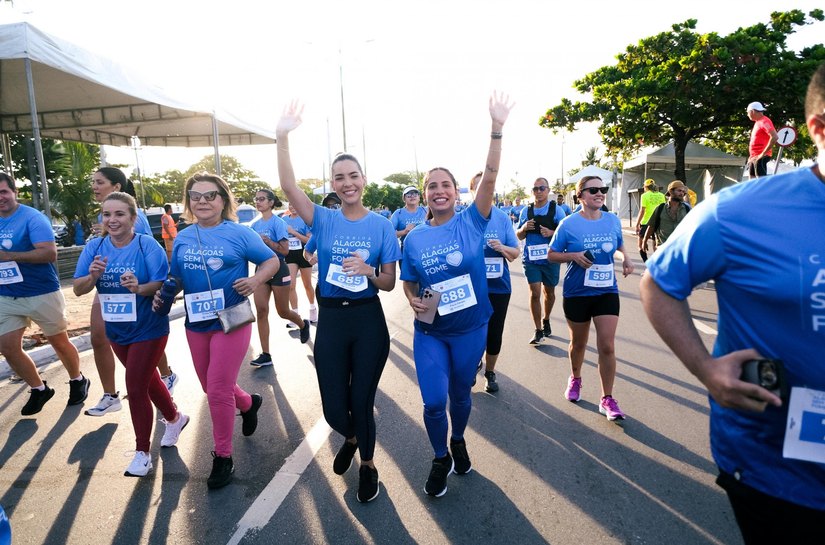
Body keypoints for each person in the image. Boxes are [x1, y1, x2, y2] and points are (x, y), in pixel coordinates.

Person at [639, 63, 825, 543]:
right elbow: (659, 284)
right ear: (819, 129)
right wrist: (705, 369)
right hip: (778, 475)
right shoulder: (738, 210)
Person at [276, 103, 401, 504]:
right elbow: (289, 188)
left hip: (367, 321)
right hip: (330, 320)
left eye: (353, 176)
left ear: (364, 179)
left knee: (362, 398)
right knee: (334, 406)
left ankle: (368, 465)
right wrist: (282, 137)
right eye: (339, 178)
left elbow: (388, 283)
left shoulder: (381, 226)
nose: (347, 183)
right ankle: (347, 435)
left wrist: (368, 271)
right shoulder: (324, 219)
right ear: (332, 184)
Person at [401, 92, 513, 498]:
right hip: (431, 331)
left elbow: (491, 174)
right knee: (433, 402)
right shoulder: (414, 238)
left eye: (445, 184)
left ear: (456, 192)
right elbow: (408, 280)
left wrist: (496, 129)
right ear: (424, 194)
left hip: (470, 329)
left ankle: (459, 439)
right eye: (432, 186)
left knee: (460, 396)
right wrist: (411, 298)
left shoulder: (473, 221)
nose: (439, 190)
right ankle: (439, 456)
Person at [161, 172, 280, 489]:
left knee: (216, 389)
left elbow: (271, 262)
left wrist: (255, 281)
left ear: (223, 199)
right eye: (195, 196)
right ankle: (246, 403)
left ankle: (223, 457)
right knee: (211, 387)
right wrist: (163, 293)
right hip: (196, 323)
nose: (202, 201)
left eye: (209, 195)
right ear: (189, 202)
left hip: (231, 319)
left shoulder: (239, 234)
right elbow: (177, 278)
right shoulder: (184, 237)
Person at [73, 192, 188, 477]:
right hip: (117, 329)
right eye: (107, 214)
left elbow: (161, 283)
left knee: (135, 388)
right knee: (147, 381)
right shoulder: (95, 247)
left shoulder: (146, 244)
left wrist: (139, 287)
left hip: (149, 327)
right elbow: (78, 288)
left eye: (119, 214)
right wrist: (93, 277)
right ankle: (174, 418)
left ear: (133, 218)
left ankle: (141, 453)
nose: (112, 220)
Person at [86, 167, 177, 418]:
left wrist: (140, 286)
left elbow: (144, 250)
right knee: (98, 337)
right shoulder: (104, 214)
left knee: (144, 341)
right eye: (93, 182)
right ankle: (110, 395)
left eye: (99, 182)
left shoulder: (135, 216)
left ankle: (166, 375)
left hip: (135, 289)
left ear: (116, 187)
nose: (94, 186)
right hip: (107, 285)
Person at [0, 172, 89, 415]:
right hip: (6, 295)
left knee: (58, 341)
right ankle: (39, 389)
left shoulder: (32, 218)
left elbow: (49, 254)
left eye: (3, 192)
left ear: (14, 191)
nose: (0, 198)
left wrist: (10, 256)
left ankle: (77, 379)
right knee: (7, 347)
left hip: (41, 291)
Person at [548, 176, 634, 421]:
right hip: (577, 292)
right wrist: (573, 255)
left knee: (607, 345)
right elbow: (552, 255)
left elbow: (618, 246)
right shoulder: (568, 224)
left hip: (607, 290)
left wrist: (625, 258)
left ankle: (607, 398)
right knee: (579, 343)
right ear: (581, 196)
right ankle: (575, 378)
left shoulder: (612, 220)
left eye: (603, 189)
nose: (600, 193)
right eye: (593, 190)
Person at [469, 172, 519, 393]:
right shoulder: (463, 217)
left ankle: (490, 371)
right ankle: (471, 366)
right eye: (480, 187)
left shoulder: (502, 218)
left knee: (494, 331)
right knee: (471, 331)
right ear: (472, 191)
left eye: (489, 186)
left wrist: (502, 248)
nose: (485, 191)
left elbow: (515, 252)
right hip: (470, 287)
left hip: (498, 287)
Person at [249, 188, 310, 367]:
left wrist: (267, 241)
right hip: (261, 270)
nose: (258, 202)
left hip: (278, 268)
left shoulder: (278, 223)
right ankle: (266, 354)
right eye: (256, 198)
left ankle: (302, 324)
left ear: (270, 202)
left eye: (262, 199)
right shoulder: (253, 225)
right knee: (261, 310)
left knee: (283, 311)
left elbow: (284, 250)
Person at [517, 178, 567, 344]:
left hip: (550, 258)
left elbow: (565, 233)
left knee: (549, 293)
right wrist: (524, 228)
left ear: (548, 190)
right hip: (531, 259)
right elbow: (518, 235)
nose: (538, 191)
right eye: (535, 188)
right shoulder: (526, 210)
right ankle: (538, 330)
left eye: (542, 188)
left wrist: (551, 232)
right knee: (535, 293)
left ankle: (546, 319)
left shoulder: (557, 210)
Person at [282, 202, 318, 324]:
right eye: (290, 205)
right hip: (290, 255)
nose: (292, 207)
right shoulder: (284, 219)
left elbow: (309, 240)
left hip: (304, 253)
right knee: (291, 285)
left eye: (294, 205)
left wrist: (294, 233)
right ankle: (295, 315)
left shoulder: (304, 220)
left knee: (307, 284)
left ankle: (312, 308)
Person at [641, 180, 691, 252]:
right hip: (663, 249)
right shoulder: (660, 208)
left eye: (683, 192)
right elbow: (651, 226)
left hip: (681, 248)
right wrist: (644, 241)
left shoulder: (687, 209)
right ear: (671, 192)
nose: (682, 193)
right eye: (679, 191)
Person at [634, 179, 665, 263]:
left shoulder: (644, 195)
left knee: (641, 245)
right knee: (656, 245)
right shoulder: (661, 195)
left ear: (645, 187)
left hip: (646, 222)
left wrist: (637, 224)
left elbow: (642, 211)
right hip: (658, 223)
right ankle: (657, 265)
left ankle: (647, 265)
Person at [746, 101, 778, 179]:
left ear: (752, 111)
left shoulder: (764, 121)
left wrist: (763, 154)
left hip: (760, 156)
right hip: (754, 156)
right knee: (752, 181)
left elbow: (775, 136)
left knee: (760, 182)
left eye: (748, 112)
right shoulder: (758, 122)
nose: (747, 115)